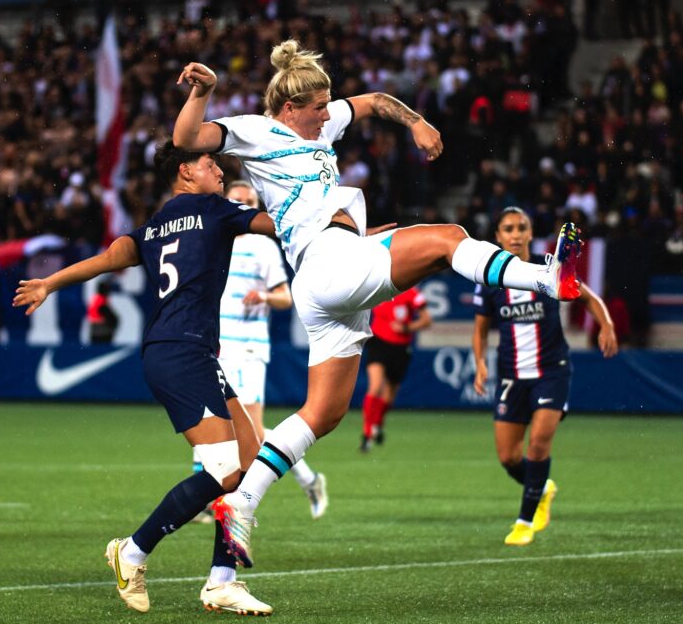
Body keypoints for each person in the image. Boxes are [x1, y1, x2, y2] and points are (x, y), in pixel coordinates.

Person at [172, 39, 583, 571]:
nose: (328, 115)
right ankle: (547, 279)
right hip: (326, 263)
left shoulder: (323, 123)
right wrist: (203, 92)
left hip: (325, 281)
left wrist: (415, 122)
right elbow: (186, 138)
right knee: (448, 238)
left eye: (327, 105)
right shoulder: (256, 130)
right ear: (290, 107)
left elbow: (374, 102)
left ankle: (240, 509)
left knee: (322, 414)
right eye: (318, 107)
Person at [13, 142, 276, 616]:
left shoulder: (153, 226)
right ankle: (131, 552)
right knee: (225, 472)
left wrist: (51, 282)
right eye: (210, 163)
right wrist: (334, 226)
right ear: (185, 172)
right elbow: (275, 226)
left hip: (181, 350)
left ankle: (223, 580)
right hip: (182, 352)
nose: (218, 168)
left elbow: (109, 258)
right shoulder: (215, 210)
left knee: (250, 458)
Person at [472, 207, 617, 546]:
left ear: (530, 232)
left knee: (538, 443)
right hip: (511, 375)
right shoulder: (490, 278)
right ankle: (542, 487)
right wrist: (479, 362)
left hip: (552, 371)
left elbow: (588, 296)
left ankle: (525, 520)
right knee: (508, 457)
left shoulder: (549, 268)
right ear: (498, 236)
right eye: (508, 228)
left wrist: (606, 324)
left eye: (522, 227)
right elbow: (480, 330)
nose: (516, 233)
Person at [201, 180, 328, 519]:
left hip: (249, 349)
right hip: (217, 348)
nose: (242, 205)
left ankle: (308, 480)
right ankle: (208, 492)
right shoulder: (214, 243)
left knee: (253, 433)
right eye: (236, 200)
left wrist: (265, 297)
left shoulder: (263, 247)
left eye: (249, 201)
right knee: (213, 420)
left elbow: (286, 297)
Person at [360, 286, 432, 452]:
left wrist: (408, 328)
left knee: (390, 395)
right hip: (378, 342)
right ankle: (367, 433)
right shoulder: (378, 285)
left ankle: (377, 424)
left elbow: (427, 320)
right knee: (375, 386)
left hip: (400, 348)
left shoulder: (412, 293)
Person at [87, 278, 119, 344]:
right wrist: (114, 322)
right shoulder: (101, 300)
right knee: (101, 348)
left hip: (95, 330)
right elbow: (109, 315)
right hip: (102, 331)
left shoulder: (96, 299)